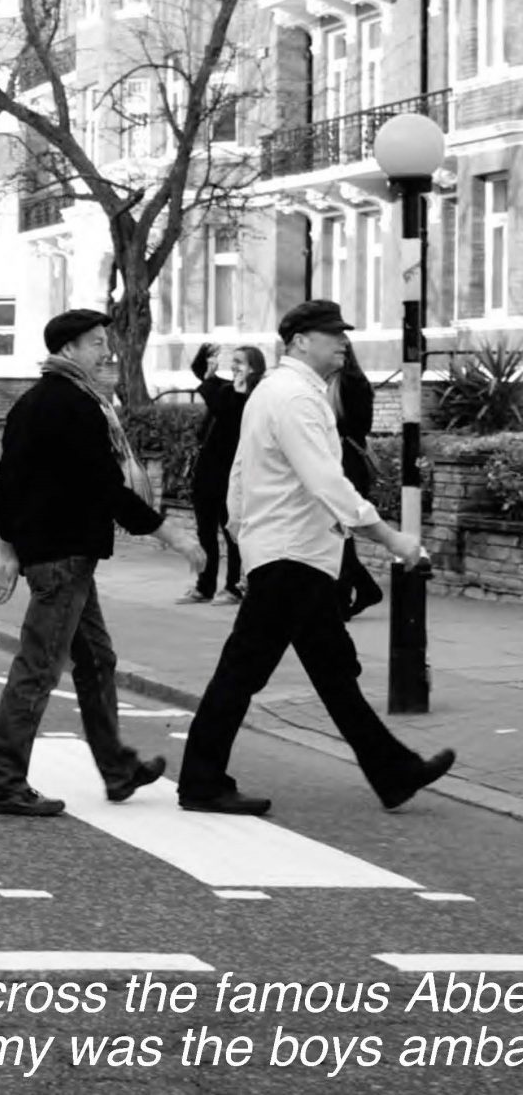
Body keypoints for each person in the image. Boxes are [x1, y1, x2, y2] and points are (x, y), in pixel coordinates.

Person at [176, 300, 456, 817]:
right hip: (292, 556)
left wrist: (242, 529)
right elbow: (326, 479)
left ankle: (393, 771)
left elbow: (241, 468)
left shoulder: (275, 392)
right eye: (332, 335)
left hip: (290, 553)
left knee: (332, 673)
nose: (342, 343)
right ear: (301, 340)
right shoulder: (295, 399)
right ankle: (200, 781)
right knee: (242, 671)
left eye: (342, 334)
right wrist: (391, 538)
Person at [0, 310, 204, 817]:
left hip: (57, 557)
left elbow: (6, 487)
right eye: (97, 343)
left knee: (97, 661)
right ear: (68, 350)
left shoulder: (34, 403)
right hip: (63, 558)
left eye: (106, 342)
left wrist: (8, 552)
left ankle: (118, 769)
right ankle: (2, 781)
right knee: (38, 669)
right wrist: (170, 534)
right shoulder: (73, 407)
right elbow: (105, 488)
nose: (107, 352)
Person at [183, 343, 260, 605]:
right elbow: (203, 376)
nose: (234, 366)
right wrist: (204, 356)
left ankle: (233, 587)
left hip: (232, 474)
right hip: (207, 471)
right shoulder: (228, 389)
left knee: (232, 532)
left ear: (254, 368)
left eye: (241, 362)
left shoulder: (253, 396)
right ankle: (204, 586)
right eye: (233, 361)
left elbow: (224, 412)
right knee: (205, 531)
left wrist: (217, 386)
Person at [332, 343, 385, 620]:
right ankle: (364, 588)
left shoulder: (348, 383)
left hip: (346, 461)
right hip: (344, 458)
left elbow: (357, 425)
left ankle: (344, 597)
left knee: (341, 530)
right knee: (339, 531)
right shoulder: (348, 381)